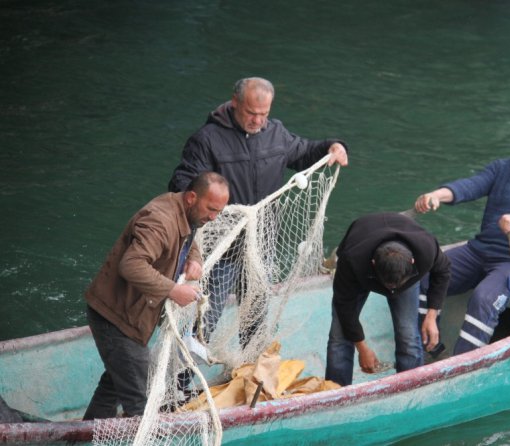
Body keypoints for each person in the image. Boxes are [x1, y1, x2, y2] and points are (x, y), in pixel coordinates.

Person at [167, 76, 349, 347]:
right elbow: (182, 184)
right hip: (220, 247)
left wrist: (332, 146)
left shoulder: (276, 133)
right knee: (206, 314)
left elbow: (304, 153)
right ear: (235, 102)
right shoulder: (206, 140)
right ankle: (181, 381)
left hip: (260, 246)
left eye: (264, 114)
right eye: (251, 113)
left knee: (255, 314)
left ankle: (247, 369)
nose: (258, 120)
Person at [414, 109, 510, 356]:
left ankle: (463, 367)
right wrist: (437, 195)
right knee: (424, 275)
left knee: (484, 299)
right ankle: (426, 350)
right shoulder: (502, 168)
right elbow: (471, 185)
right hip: (481, 251)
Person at [83, 172, 230, 420]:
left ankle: (86, 436)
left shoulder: (187, 212)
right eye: (211, 209)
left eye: (219, 212)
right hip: (117, 318)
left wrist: (194, 259)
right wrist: (173, 290)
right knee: (142, 402)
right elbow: (131, 265)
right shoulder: (160, 220)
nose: (214, 218)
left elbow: (188, 235)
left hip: (134, 315)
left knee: (114, 385)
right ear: (192, 197)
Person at [325, 212, 451, 386]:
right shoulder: (352, 259)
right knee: (338, 337)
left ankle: (410, 388)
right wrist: (362, 347)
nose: (392, 290)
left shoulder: (426, 248)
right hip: (361, 268)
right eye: (389, 285)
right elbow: (344, 304)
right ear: (374, 264)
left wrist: (431, 316)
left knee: (408, 335)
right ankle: (335, 393)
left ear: (413, 261)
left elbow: (443, 272)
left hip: (405, 276)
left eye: (396, 285)